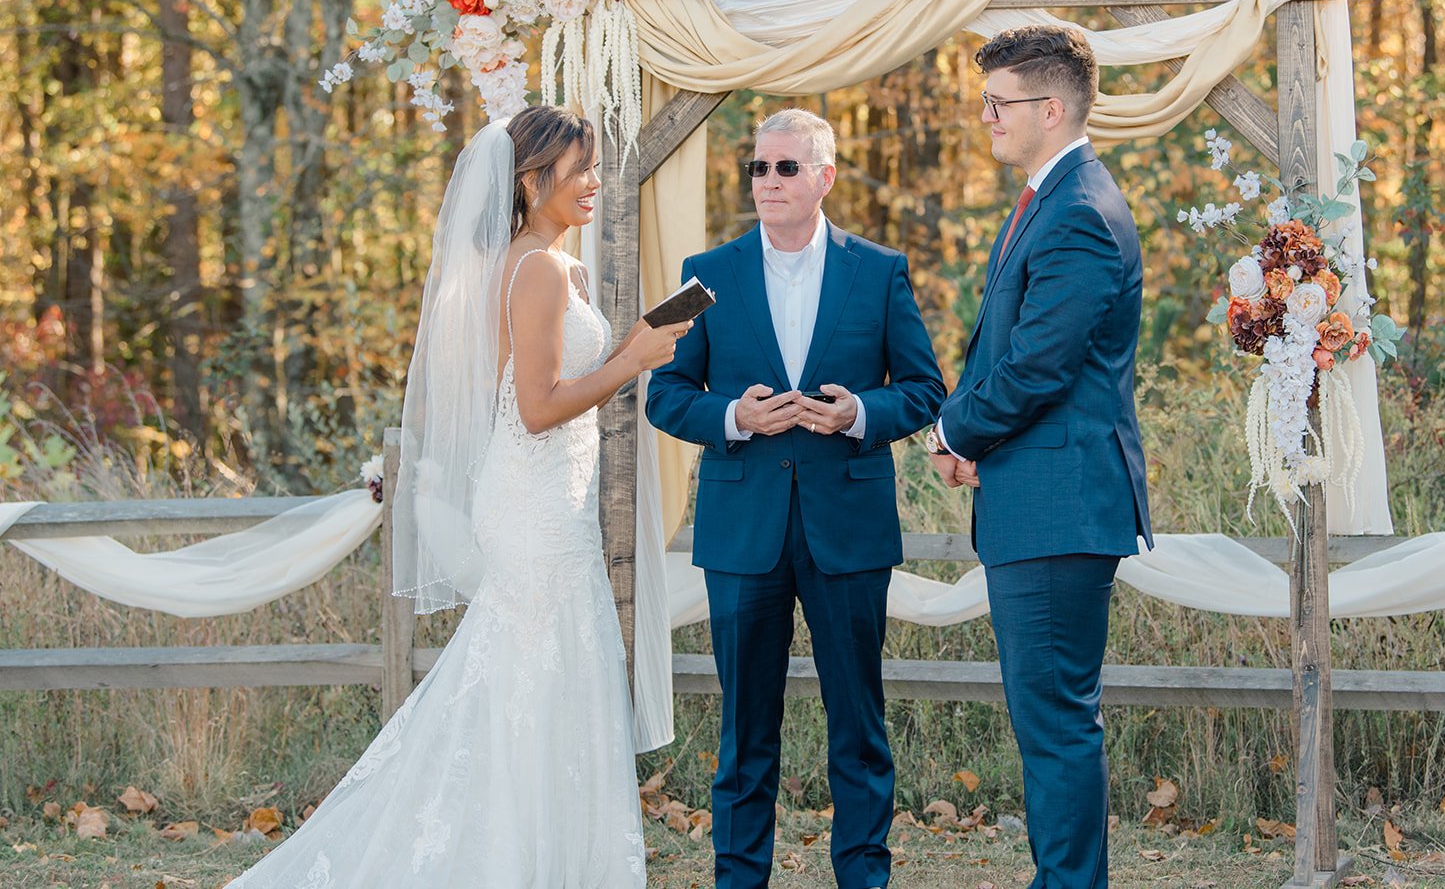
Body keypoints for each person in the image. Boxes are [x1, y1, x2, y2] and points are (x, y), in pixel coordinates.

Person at [230, 106, 691, 887]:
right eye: (579, 169)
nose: (593, 182)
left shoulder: (534, 261)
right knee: (540, 679)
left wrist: (619, 351)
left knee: (542, 683)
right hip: (536, 509)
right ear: (529, 178)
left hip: (545, 502)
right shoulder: (537, 268)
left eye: (593, 167)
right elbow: (540, 409)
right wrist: (633, 358)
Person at [646, 108, 945, 889]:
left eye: (785, 167)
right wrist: (730, 418)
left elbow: (925, 387)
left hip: (849, 527)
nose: (768, 181)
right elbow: (662, 391)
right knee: (746, 731)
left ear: (825, 177)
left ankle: (864, 879)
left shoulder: (879, 270)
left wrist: (860, 414)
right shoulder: (702, 274)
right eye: (757, 167)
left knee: (859, 726)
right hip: (742, 533)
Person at [926, 26, 1152, 889]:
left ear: (1049, 109)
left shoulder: (1081, 214)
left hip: (1061, 502)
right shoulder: (1049, 198)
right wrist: (966, 435)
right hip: (1035, 493)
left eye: (998, 103)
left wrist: (953, 433)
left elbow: (1037, 365)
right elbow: (1008, 351)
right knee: (1048, 717)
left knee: (1055, 721)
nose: (985, 117)